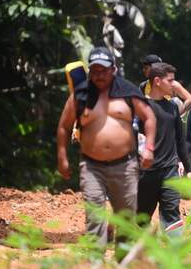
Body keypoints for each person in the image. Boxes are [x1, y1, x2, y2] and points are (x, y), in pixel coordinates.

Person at [56, 46, 157, 252]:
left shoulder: (128, 91)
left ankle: (124, 262)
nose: (99, 75)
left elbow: (149, 118)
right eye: (94, 71)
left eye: (103, 70)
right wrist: (62, 156)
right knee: (95, 215)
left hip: (125, 165)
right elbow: (64, 126)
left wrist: (149, 148)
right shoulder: (81, 94)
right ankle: (95, 264)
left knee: (125, 218)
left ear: (113, 69)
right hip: (91, 166)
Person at [137, 63, 191, 232]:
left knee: (172, 215)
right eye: (171, 81)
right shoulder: (141, 107)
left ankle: (175, 255)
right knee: (141, 218)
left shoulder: (173, 107)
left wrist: (189, 168)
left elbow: (180, 141)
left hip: (170, 171)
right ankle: (139, 255)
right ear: (157, 81)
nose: (174, 85)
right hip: (146, 173)